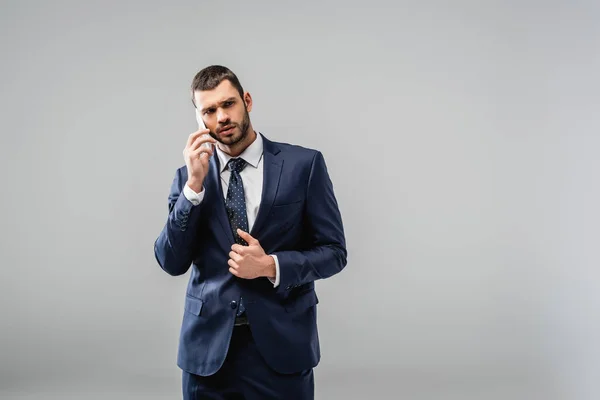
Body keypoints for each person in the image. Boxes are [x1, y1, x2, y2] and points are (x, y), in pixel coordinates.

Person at [153, 65, 347, 399]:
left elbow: (334, 252)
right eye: (209, 111)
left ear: (247, 101)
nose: (222, 117)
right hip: (208, 353)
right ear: (200, 120)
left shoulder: (304, 165)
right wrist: (193, 187)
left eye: (228, 104)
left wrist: (271, 266)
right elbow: (170, 261)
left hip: (281, 348)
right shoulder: (188, 178)